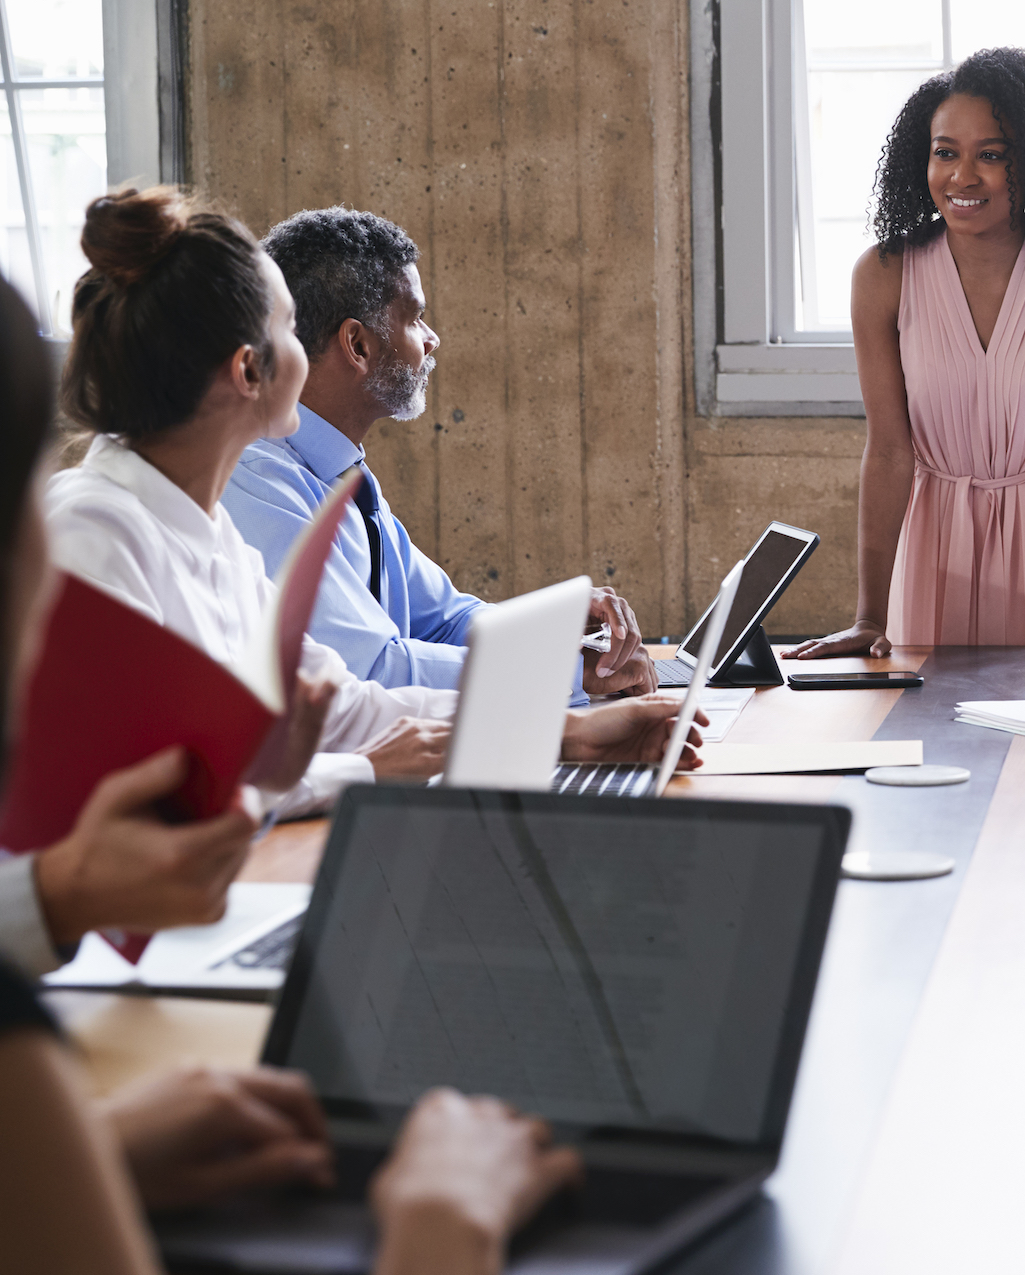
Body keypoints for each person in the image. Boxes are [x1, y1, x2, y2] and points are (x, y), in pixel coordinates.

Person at [0, 271, 579, 1274]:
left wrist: (568, 726)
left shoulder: (216, 522)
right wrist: (441, 1231)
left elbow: (335, 692)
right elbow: (196, 770)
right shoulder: (101, 523)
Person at [44, 188, 696, 830]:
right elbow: (137, 787)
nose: (303, 348)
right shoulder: (92, 530)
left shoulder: (210, 535)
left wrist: (569, 733)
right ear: (250, 371)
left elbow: (343, 707)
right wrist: (364, 771)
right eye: (287, 330)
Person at [222, 207, 656, 701]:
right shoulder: (262, 483)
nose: (432, 340)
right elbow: (370, 670)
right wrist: (556, 674)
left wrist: (557, 633)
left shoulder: (344, 476)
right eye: (416, 318)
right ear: (357, 345)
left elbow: (447, 619)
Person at [784, 46, 1025, 660]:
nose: (962, 177)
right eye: (946, 152)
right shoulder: (884, 274)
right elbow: (889, 452)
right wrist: (869, 616)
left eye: (991, 155)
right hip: (932, 549)